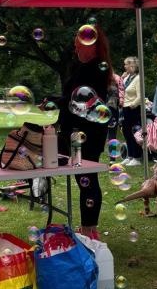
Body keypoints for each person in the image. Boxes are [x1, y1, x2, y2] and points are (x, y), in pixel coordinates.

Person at [46, 25, 114, 240]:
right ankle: (89, 228)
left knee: (87, 179)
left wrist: (53, 101)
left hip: (86, 133)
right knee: (85, 179)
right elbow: (72, 97)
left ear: (92, 46)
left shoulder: (95, 69)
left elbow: (81, 101)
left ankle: (89, 230)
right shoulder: (82, 67)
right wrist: (54, 100)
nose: (75, 50)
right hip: (76, 131)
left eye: (78, 46)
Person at [120, 56, 143, 167]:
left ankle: (137, 157)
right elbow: (120, 90)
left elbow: (140, 96)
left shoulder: (138, 78)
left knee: (135, 132)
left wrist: (133, 105)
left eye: (126, 64)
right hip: (125, 107)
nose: (124, 66)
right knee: (126, 132)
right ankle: (130, 156)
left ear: (132, 65)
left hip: (133, 108)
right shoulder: (127, 77)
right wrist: (121, 78)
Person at [106, 71, 125, 142]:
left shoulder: (115, 79)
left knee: (112, 126)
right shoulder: (109, 80)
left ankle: (112, 142)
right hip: (110, 106)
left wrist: (121, 101)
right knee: (111, 126)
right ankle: (111, 142)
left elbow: (121, 89)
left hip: (113, 105)